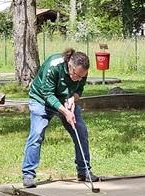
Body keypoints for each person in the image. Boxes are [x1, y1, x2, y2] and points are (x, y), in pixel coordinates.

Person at [22, 48, 98, 188]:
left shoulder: (82, 71)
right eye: (77, 75)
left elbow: (79, 90)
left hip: (65, 101)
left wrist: (73, 99)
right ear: (70, 66)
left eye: (82, 76)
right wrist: (65, 112)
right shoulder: (54, 66)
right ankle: (28, 174)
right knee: (37, 134)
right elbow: (48, 94)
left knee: (80, 131)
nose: (79, 79)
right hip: (41, 100)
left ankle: (84, 171)